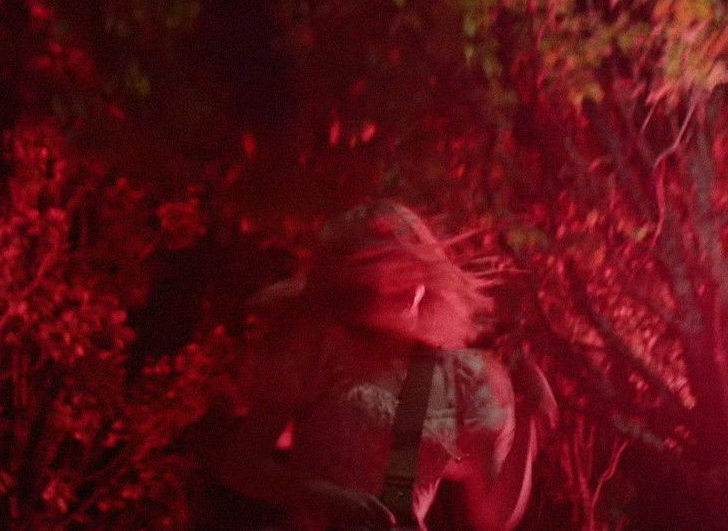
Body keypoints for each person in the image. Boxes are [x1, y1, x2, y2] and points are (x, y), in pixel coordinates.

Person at [218, 200, 556, 531]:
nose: (403, 284)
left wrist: (529, 418)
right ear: (353, 280)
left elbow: (492, 519)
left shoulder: (457, 377)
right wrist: (327, 498)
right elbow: (242, 466)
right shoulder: (318, 346)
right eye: (387, 268)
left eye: (413, 269)